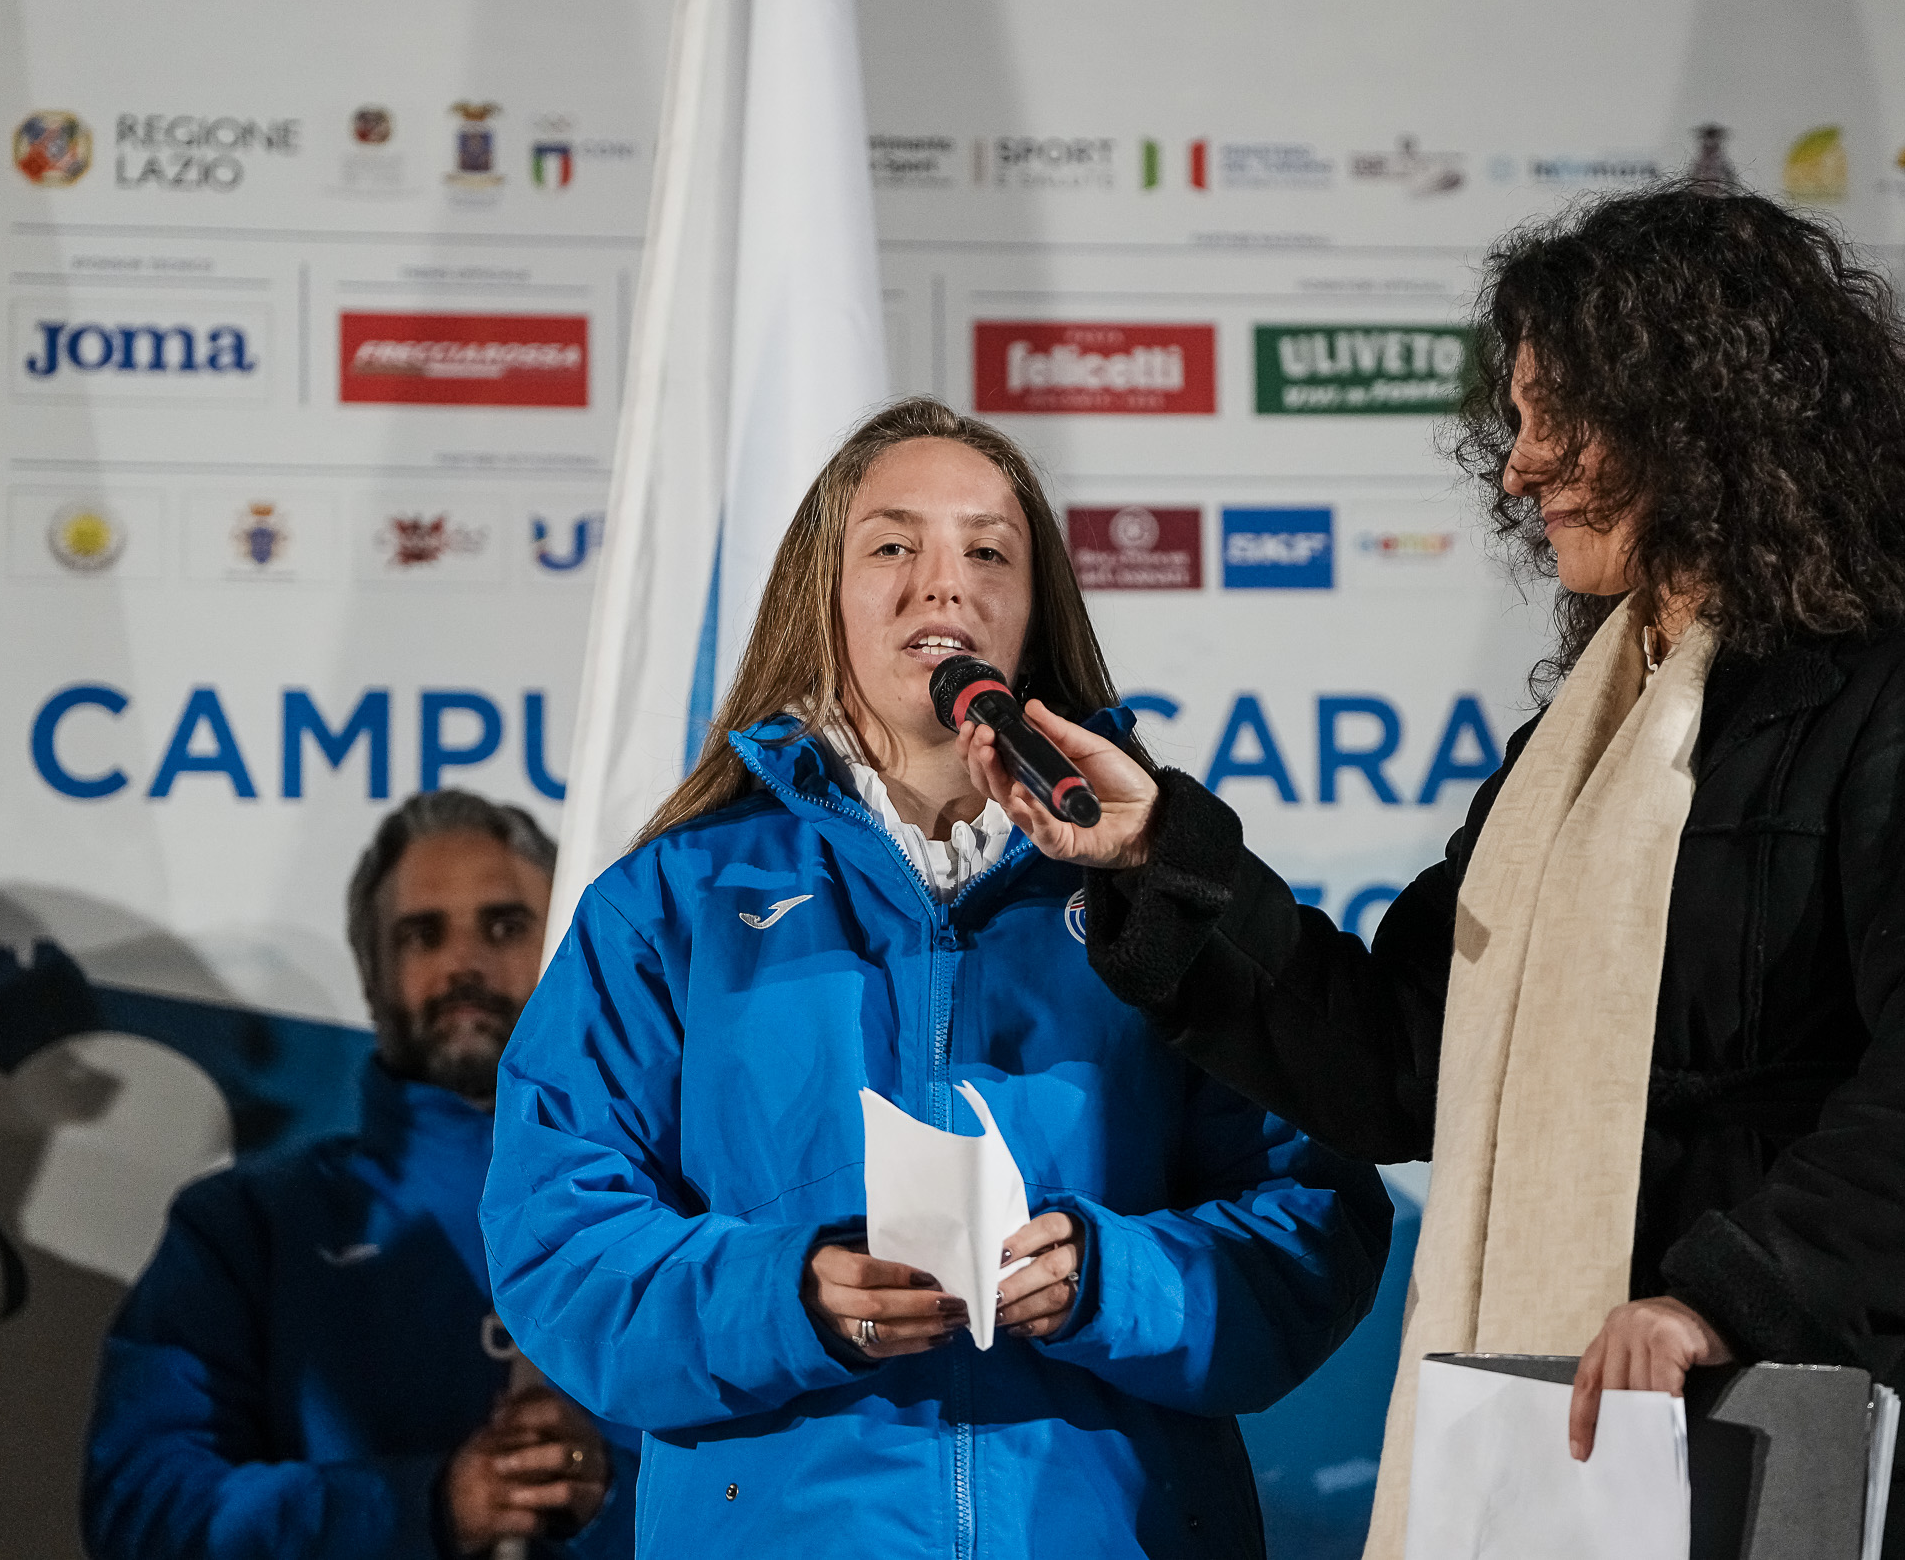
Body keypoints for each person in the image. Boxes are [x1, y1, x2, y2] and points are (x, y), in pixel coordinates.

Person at [959, 187, 1905, 1560]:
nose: (1519, 467)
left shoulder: (1904, 687)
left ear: (1695, 418)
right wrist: (1160, 855)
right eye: (1518, 420)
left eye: (1561, 420)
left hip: (1791, 1421)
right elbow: (1393, 1057)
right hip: (1551, 1434)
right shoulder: (1578, 741)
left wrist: (1730, 1297)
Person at [480, 398, 1391, 1560]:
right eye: (893, 545)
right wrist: (790, 1295)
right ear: (822, 595)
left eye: (988, 552)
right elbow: (557, 1236)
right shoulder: (673, 901)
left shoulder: (1154, 888)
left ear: (1035, 608)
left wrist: (1111, 1282)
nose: (942, 583)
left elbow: (1311, 1214)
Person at [83, 792, 634, 1560]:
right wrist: (422, 1507)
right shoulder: (246, 1227)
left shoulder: (672, 1208)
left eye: (505, 926)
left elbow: (773, 1490)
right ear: (372, 976)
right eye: (422, 934)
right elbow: (145, 1506)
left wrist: (611, 1496)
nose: (464, 964)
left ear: (568, 948)